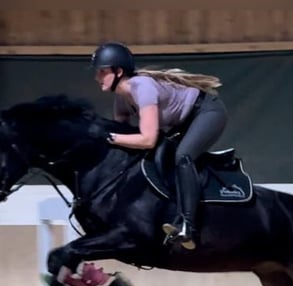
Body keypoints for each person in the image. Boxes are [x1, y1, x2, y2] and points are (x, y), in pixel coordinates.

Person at [90, 41, 228, 250]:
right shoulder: (122, 97)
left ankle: (187, 225)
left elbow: (147, 140)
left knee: (183, 156)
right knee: (156, 156)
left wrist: (108, 137)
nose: (97, 77)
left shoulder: (142, 87)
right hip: (181, 122)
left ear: (118, 71)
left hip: (207, 112)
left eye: (102, 72)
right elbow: (124, 133)